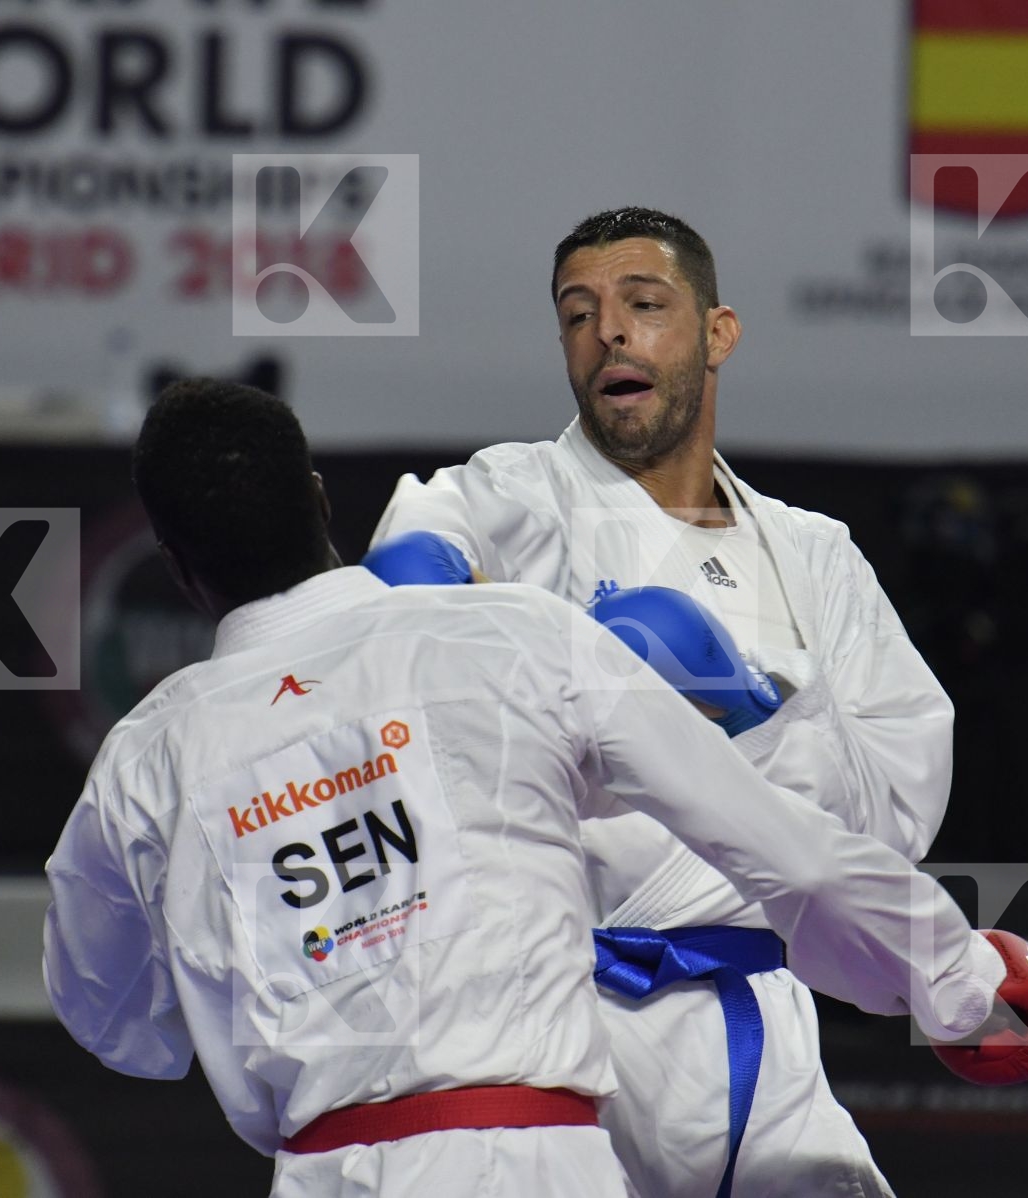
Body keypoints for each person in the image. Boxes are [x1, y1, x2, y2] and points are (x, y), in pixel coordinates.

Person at [42, 379, 1022, 1198]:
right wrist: (962, 981)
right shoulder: (514, 636)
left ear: (174, 567)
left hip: (320, 1171)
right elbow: (783, 848)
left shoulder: (147, 758)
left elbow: (112, 1016)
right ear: (319, 497)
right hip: (540, 1160)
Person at [367, 207, 958, 1196]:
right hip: (534, 1016)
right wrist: (429, 593)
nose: (609, 332)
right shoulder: (516, 495)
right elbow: (406, 579)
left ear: (717, 333)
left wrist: (746, 703)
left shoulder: (813, 555)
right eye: (578, 314)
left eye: (644, 304)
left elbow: (895, 818)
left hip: (744, 1021)